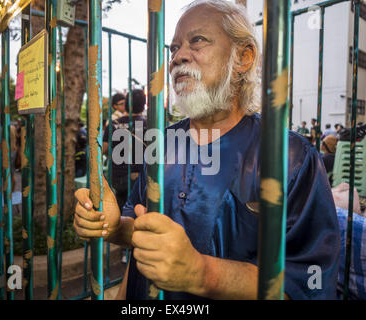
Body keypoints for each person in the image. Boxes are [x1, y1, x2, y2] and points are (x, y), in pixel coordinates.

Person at [74, 0, 339, 300]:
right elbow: (142, 239)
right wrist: (112, 227)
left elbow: (309, 284)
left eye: (197, 41)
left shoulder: (291, 158)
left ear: (244, 56)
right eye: (174, 48)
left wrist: (202, 273)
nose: (177, 57)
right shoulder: (160, 143)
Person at [103, 89, 147, 211]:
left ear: (126, 104)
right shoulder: (149, 123)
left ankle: (119, 225)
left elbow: (104, 148)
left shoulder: (113, 124)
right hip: (140, 176)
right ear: (143, 105)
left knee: (120, 206)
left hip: (117, 176)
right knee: (139, 209)